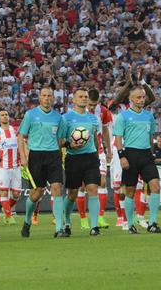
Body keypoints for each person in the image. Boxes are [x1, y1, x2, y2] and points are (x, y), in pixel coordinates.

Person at [113, 86, 161, 234]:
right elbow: (118, 138)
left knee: (156, 187)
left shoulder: (149, 116)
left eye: (143, 97)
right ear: (131, 99)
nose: (142, 100)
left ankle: (153, 223)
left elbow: (150, 137)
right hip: (130, 155)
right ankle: (130, 224)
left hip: (146, 155)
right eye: (138, 97)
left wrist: (152, 153)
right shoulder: (123, 116)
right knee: (130, 192)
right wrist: (122, 156)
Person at [18, 86, 66, 238]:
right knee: (36, 193)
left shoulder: (58, 117)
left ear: (53, 98)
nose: (47, 98)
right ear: (39, 98)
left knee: (57, 188)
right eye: (44, 95)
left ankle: (59, 228)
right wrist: (23, 156)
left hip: (53, 155)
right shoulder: (30, 115)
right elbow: (21, 136)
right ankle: (27, 221)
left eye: (49, 96)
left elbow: (60, 139)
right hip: (36, 156)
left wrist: (66, 150)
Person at [61, 88, 102, 236]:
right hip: (73, 158)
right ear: (74, 99)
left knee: (93, 189)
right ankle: (66, 221)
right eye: (80, 96)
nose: (84, 99)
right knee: (72, 193)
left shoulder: (93, 118)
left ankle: (94, 226)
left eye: (85, 96)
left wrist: (97, 154)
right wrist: (69, 145)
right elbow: (60, 140)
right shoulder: (66, 118)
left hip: (90, 157)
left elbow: (95, 138)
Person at [88, 88, 113, 229]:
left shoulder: (103, 111)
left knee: (102, 182)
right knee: (83, 186)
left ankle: (101, 217)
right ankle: (83, 219)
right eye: (90, 104)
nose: (92, 107)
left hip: (99, 151)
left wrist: (109, 149)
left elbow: (105, 131)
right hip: (84, 152)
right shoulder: (79, 111)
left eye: (94, 104)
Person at [0, 108, 21, 225]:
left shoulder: (15, 130)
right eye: (2, 115)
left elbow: (22, 144)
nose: (5, 116)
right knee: (4, 192)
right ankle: (8, 216)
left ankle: (5, 208)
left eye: (6, 114)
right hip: (3, 167)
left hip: (16, 166)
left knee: (16, 194)